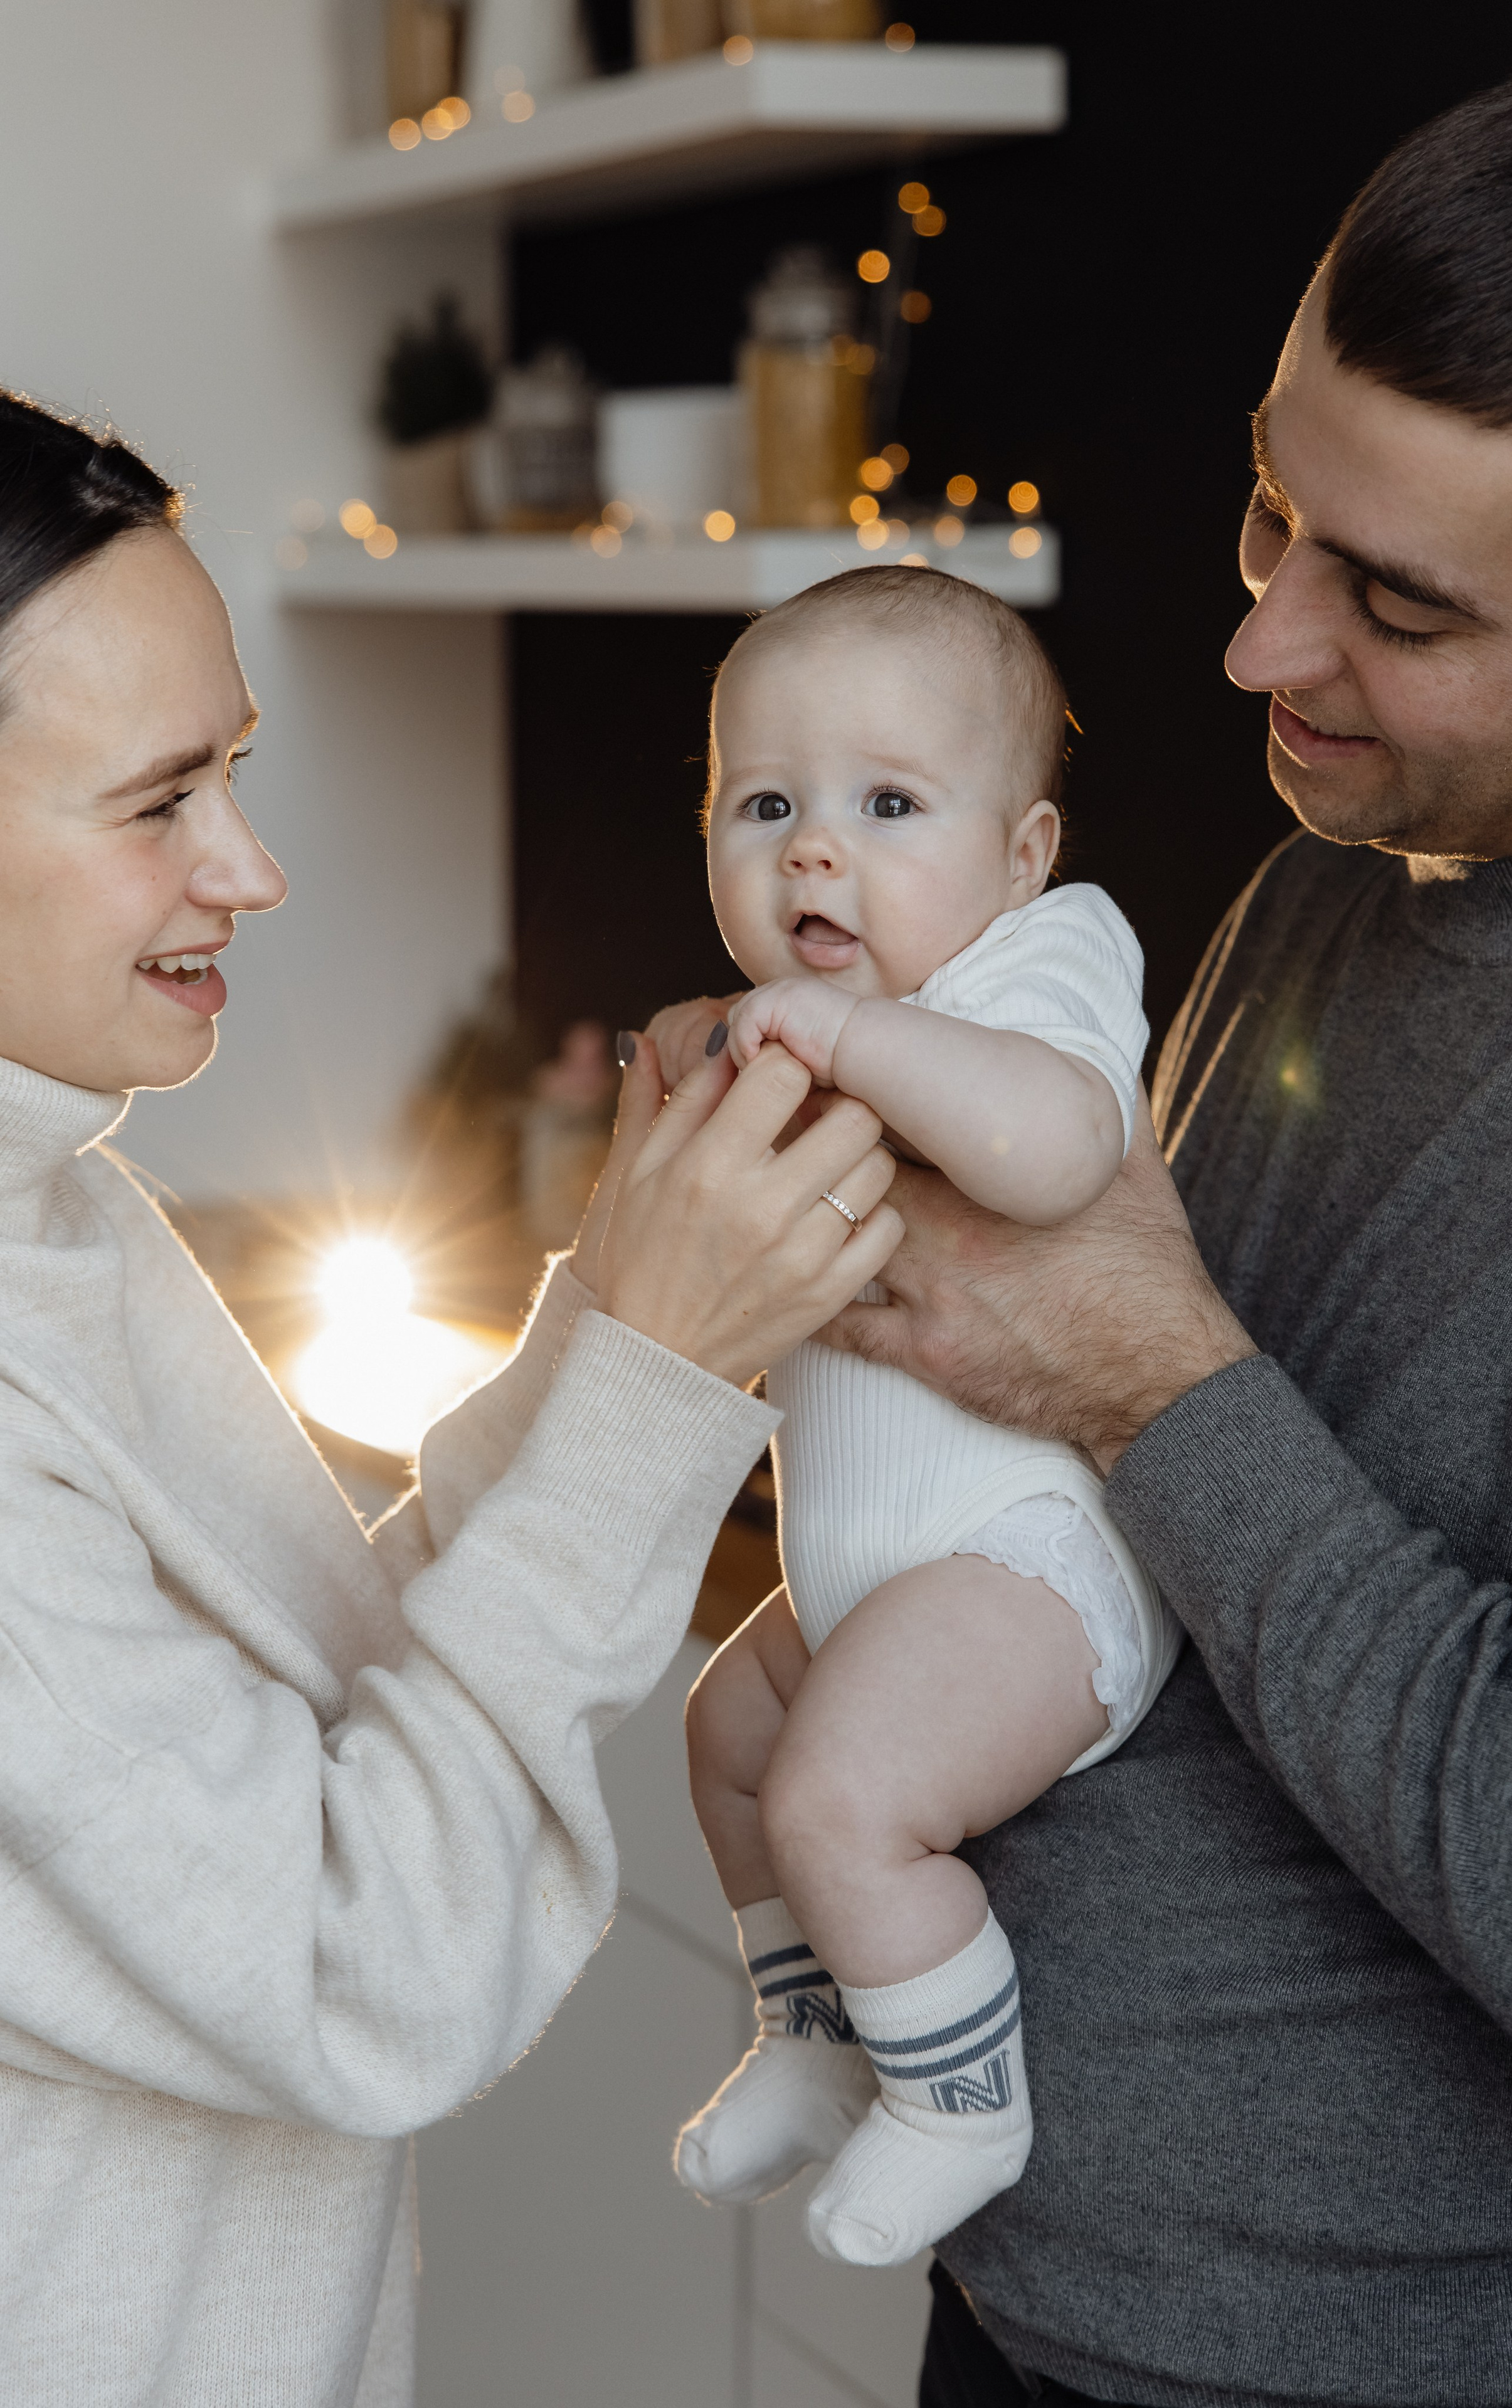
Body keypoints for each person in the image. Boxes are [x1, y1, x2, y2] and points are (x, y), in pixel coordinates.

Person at [810, 49, 1512, 2408]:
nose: (1258, 646)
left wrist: (1146, 1372)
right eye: (1273, 516)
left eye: (1398, 602)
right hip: (1035, 2317)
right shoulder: (1324, 893)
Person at [0, 390, 901, 2405]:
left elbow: (301, 1696)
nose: (252, 867)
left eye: (235, 769)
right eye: (160, 802)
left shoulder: (58, 1192)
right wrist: (655, 1386)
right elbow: (358, 1963)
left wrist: (614, 1323)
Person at [665, 568, 1178, 2268]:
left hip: (1031, 1570)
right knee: (728, 1743)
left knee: (834, 1794)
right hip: (877, 1579)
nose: (818, 850)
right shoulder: (814, 1027)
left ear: (1021, 852)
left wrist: (846, 1034)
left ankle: (959, 2101)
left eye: (889, 805)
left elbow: (1049, 1153)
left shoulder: (1037, 967)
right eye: (767, 805)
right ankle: (813, 2037)